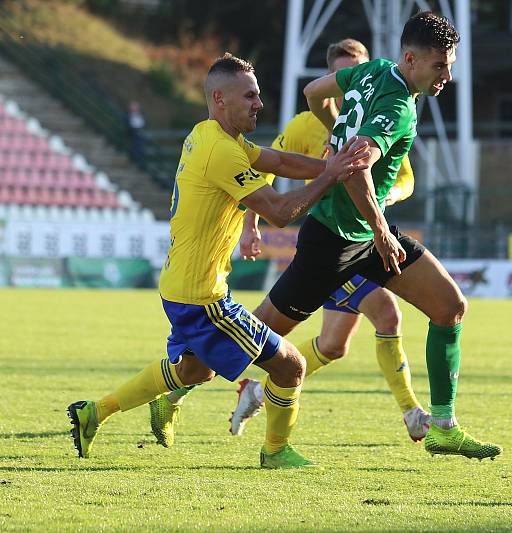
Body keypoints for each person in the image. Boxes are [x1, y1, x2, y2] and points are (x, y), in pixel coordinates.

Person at [66, 53, 369, 469]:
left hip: (180, 286)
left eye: (259, 95)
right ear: (220, 99)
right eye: (250, 96)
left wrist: (333, 165)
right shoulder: (221, 154)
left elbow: (278, 161)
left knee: (195, 372)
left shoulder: (208, 135)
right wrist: (332, 175)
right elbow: (279, 211)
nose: (259, 104)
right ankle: (276, 452)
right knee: (290, 367)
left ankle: (93, 413)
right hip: (204, 296)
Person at [150, 39, 430, 446]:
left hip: (362, 236)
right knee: (380, 316)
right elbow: (265, 169)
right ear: (336, 80)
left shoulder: (383, 118)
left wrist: (384, 194)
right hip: (332, 240)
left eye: (361, 71)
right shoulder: (304, 126)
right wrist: (253, 225)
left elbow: (404, 177)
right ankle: (413, 412)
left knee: (333, 345)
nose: (356, 85)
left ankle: (228, 388)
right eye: (345, 75)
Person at [262, 11, 500, 460]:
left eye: (450, 65)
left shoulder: (375, 71)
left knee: (450, 307)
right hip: (333, 240)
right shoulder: (396, 107)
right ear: (410, 58)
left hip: (366, 235)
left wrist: (336, 131)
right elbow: (356, 166)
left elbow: (314, 92)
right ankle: (168, 389)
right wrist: (380, 230)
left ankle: (444, 427)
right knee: (250, 336)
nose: (447, 76)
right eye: (439, 66)